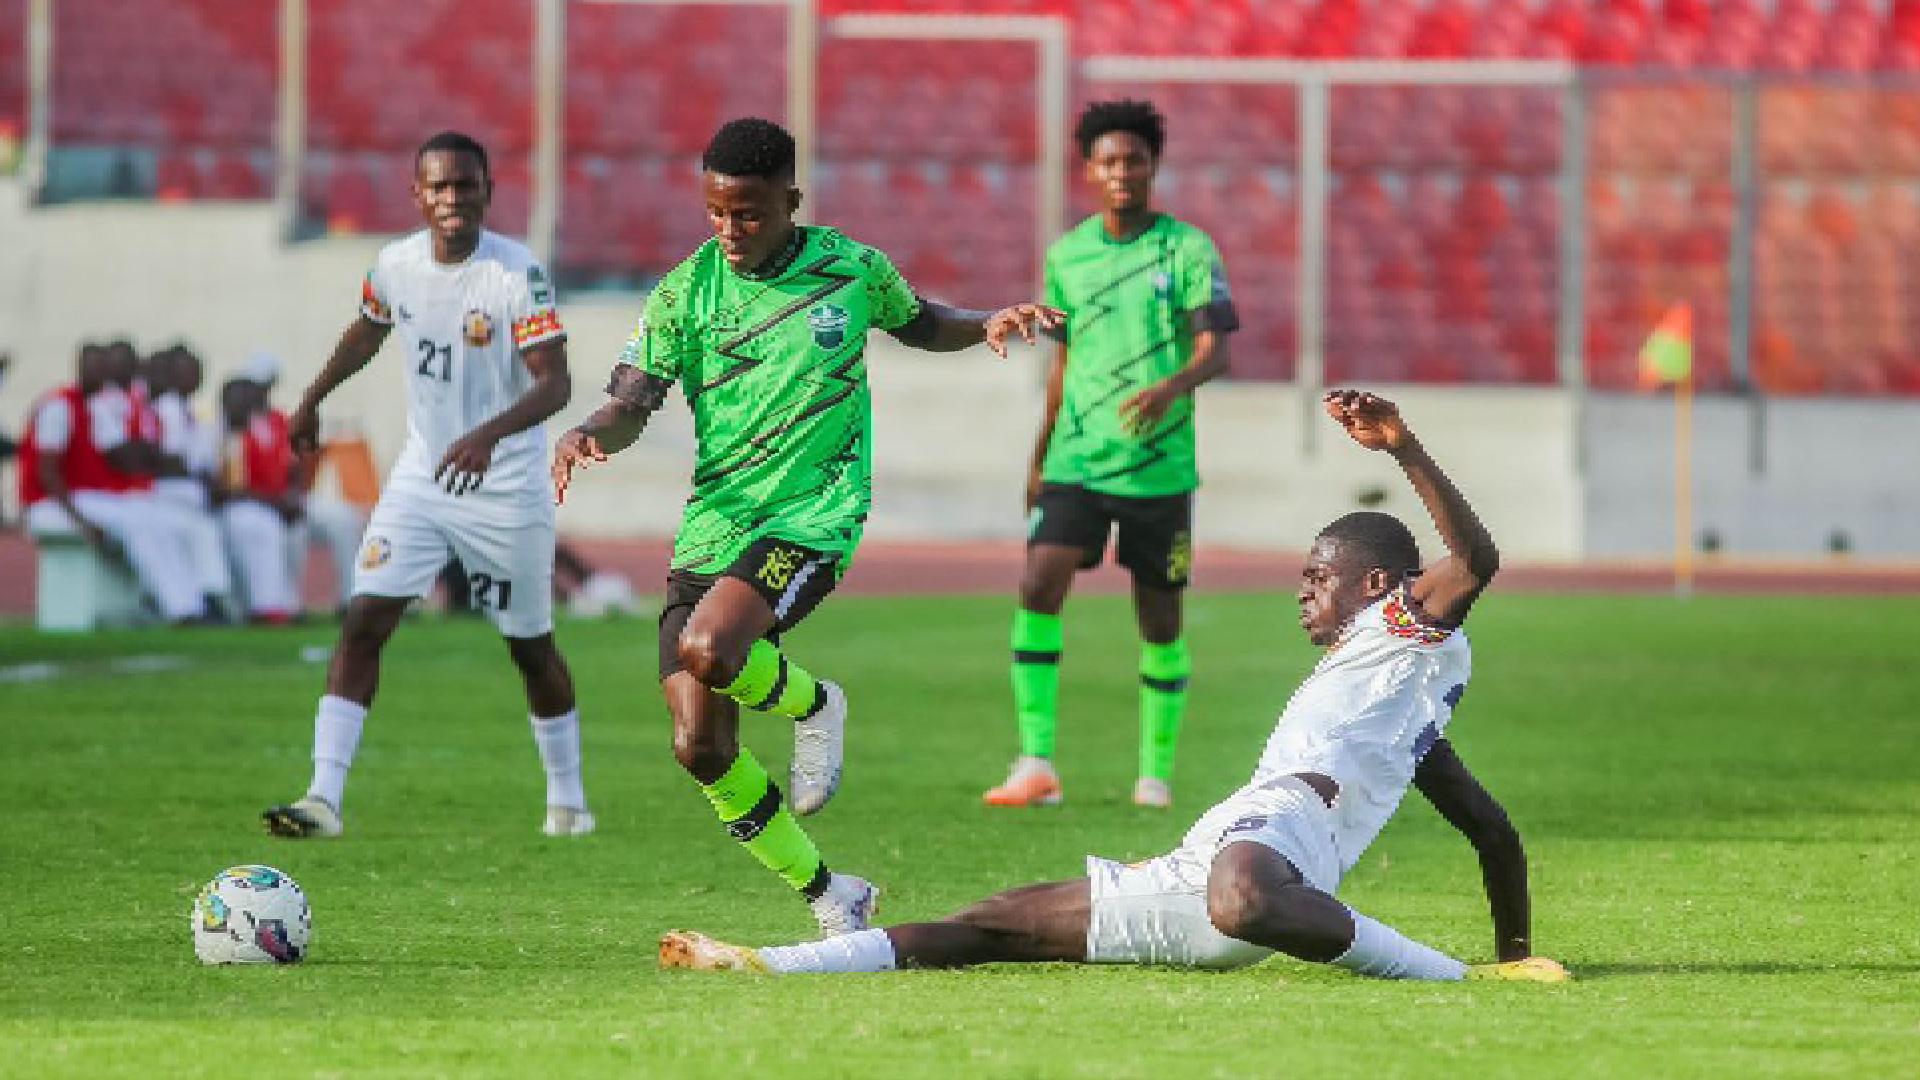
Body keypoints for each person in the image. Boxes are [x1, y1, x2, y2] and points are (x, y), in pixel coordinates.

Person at [660, 391, 1570, 986]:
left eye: (1317, 575)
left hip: (1272, 845)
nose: (1303, 591)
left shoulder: (1398, 632)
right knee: (991, 923)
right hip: (1211, 852)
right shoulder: (1400, 711)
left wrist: (1404, 445)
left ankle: (1443, 977)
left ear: (1378, 587)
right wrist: (1521, 955)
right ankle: (763, 962)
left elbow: (1476, 561)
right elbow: (1490, 829)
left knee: (1244, 896)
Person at [552, 117, 1059, 936]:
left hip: (815, 513)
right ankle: (834, 896)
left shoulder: (849, 268)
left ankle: (817, 703)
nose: (730, 230)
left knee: (711, 651)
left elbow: (923, 322)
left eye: (748, 213)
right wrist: (589, 432)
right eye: (715, 212)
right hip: (716, 525)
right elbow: (630, 400)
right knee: (701, 749)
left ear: (791, 200)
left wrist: (987, 321)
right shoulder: (684, 293)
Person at [262, 130, 593, 840]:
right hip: (422, 478)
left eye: (464, 185)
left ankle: (568, 800)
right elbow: (367, 330)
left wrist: (485, 436)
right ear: (417, 194)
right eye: (437, 186)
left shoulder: (515, 274)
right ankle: (323, 798)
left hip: (503, 483)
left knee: (529, 646)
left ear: (486, 191)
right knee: (364, 620)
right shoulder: (395, 265)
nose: (451, 198)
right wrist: (313, 398)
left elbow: (556, 382)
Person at [986, 100, 1238, 812]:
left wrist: (1174, 384)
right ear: (1089, 171)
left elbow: (1216, 347)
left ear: (1152, 165)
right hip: (1078, 460)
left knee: (1158, 619)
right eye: (1108, 160)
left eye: (1133, 158)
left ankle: (1154, 774)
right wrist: (1039, 455)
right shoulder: (1068, 255)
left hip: (1159, 467)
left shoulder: (1187, 250)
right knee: (1038, 586)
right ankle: (1036, 760)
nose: (1121, 170)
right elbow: (1063, 365)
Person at [17, 343, 205, 623]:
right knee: (137, 523)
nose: (101, 372)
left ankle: (186, 604)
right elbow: (48, 473)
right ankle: (180, 609)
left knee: (155, 519)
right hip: (51, 503)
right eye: (94, 365)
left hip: (87, 498)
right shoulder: (60, 405)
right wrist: (80, 520)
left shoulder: (99, 406)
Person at [149, 345, 237, 617]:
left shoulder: (195, 412)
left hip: (191, 490)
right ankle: (209, 597)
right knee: (201, 525)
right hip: (167, 489)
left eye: (197, 372)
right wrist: (203, 481)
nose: (193, 378)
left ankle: (213, 595)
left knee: (206, 524)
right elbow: (168, 460)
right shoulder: (166, 408)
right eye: (186, 372)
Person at [217, 377, 301, 623]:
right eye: (237, 401)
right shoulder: (217, 432)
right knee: (261, 524)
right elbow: (226, 489)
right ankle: (266, 606)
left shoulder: (261, 430)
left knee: (291, 528)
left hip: (261, 505)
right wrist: (271, 502)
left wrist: (288, 500)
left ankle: (287, 603)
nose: (242, 407)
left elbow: (289, 469)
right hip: (231, 509)